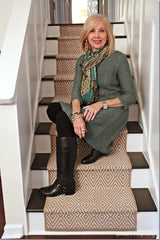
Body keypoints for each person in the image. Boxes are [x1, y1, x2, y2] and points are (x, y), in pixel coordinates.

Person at [39, 14, 136, 197]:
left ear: (108, 35)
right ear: (86, 35)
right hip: (88, 108)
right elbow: (76, 93)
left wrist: (101, 104)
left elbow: (130, 96)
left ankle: (64, 181)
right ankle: (67, 179)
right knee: (54, 109)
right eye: (92, 30)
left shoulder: (118, 59)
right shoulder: (82, 61)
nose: (97, 35)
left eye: (102, 30)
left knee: (62, 117)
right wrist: (76, 116)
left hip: (112, 109)